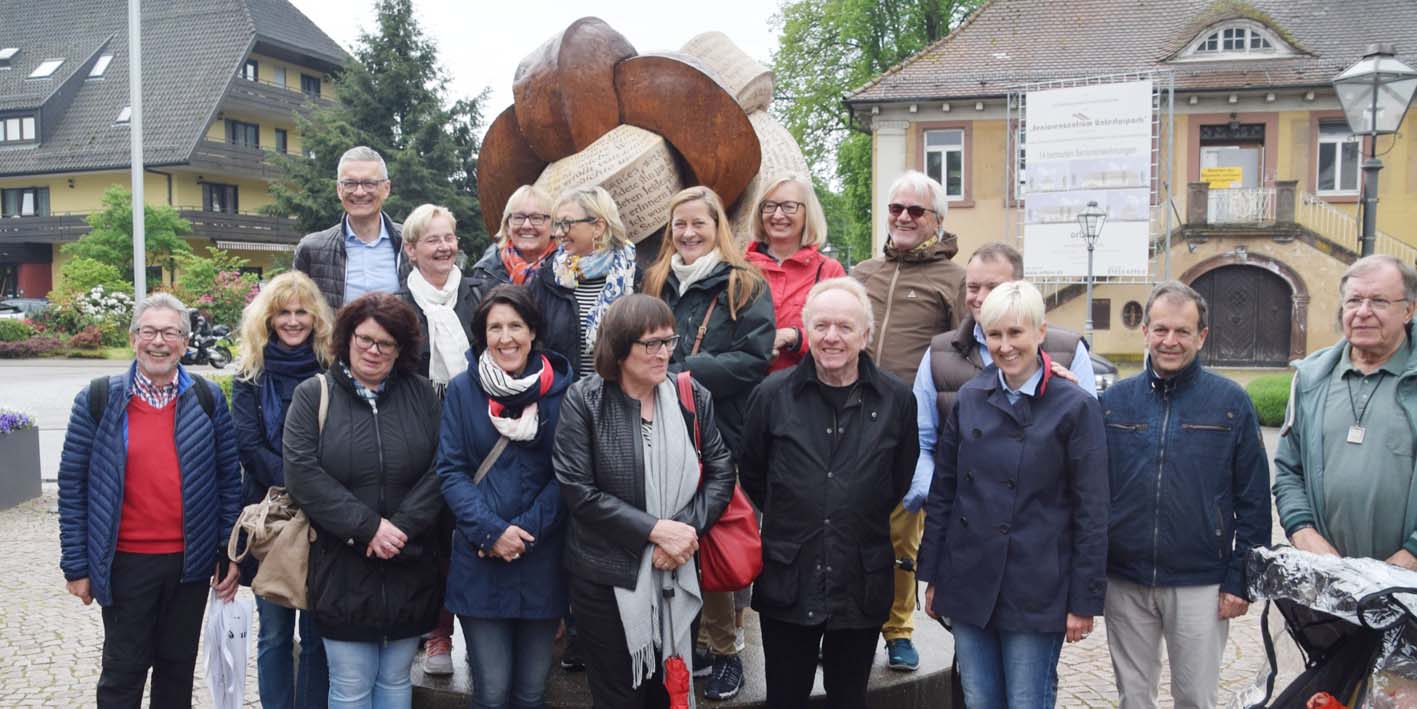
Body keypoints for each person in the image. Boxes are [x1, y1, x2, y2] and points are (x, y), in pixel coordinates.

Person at [918, 280, 1107, 707]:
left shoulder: (1075, 406)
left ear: (1041, 332)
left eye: (1016, 332)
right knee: (979, 699)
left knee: (1026, 700)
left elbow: (1092, 511)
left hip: (1036, 587)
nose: (1005, 346)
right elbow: (945, 492)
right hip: (969, 579)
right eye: (995, 334)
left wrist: (1084, 600)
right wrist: (934, 578)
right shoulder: (970, 398)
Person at [739, 278, 918, 709]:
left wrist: (847, 506)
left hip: (860, 577)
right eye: (821, 326)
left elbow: (897, 479)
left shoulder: (896, 400)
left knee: (849, 698)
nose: (831, 337)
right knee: (784, 698)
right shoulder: (771, 396)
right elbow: (754, 474)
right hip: (789, 575)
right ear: (807, 330)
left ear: (865, 335)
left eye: (844, 326)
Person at [58, 292, 243, 707]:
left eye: (170, 333)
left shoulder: (208, 399)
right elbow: (72, 485)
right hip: (125, 563)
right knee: (122, 675)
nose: (159, 341)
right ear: (133, 338)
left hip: (189, 566)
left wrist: (228, 551)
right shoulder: (98, 399)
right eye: (149, 331)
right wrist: (77, 565)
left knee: (176, 675)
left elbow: (228, 479)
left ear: (185, 342)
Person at [553, 294, 736, 708]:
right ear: (619, 347)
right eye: (651, 343)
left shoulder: (690, 395)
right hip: (606, 579)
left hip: (678, 569)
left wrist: (683, 533)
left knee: (668, 693)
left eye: (669, 341)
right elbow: (578, 490)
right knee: (619, 697)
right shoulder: (584, 400)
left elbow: (722, 471)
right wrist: (655, 532)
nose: (664, 353)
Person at [1101, 281, 1270, 709]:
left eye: (1182, 331)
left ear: (1202, 336)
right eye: (1160, 329)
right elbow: (1092, 491)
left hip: (1201, 580)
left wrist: (1241, 579)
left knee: (1195, 697)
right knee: (1133, 697)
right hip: (1125, 577)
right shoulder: (1114, 402)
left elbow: (1253, 499)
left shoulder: (1231, 402)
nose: (1170, 341)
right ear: (1145, 331)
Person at [642, 186, 774, 700]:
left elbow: (753, 359)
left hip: (718, 430)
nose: (689, 233)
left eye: (699, 223)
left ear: (718, 227)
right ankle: (686, 643)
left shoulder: (744, 283)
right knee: (669, 535)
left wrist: (679, 370)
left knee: (711, 539)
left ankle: (724, 650)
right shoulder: (655, 281)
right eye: (680, 224)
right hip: (657, 426)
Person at [283, 293, 445, 709]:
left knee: (395, 681)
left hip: (410, 561)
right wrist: (369, 528)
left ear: (401, 349)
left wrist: (401, 528)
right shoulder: (313, 394)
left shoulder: (423, 395)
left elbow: (443, 467)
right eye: (365, 339)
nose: (373, 350)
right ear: (347, 338)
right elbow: (302, 474)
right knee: (351, 685)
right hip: (342, 564)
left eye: (385, 343)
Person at [848, 169, 965, 671]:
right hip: (850, 418)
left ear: (936, 220)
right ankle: (844, 623)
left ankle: (897, 629)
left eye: (916, 210)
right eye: (896, 208)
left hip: (908, 427)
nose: (903, 217)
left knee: (900, 536)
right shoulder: (861, 273)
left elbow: (964, 354)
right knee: (845, 528)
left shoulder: (955, 280)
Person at [438, 284, 574, 709]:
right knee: (492, 692)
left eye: (515, 326)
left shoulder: (562, 393)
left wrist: (523, 534)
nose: (505, 337)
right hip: (480, 561)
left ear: (533, 331)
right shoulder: (463, 390)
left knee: (532, 693)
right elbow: (451, 470)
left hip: (542, 560)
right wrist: (492, 532)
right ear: (483, 335)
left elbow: (568, 476)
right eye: (495, 327)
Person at [1274, 254, 1417, 571]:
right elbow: (1288, 472)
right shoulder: (1311, 379)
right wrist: (1304, 533)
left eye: (1378, 301)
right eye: (1353, 301)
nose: (1363, 312)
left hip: (1409, 581)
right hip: (1328, 577)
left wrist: (1410, 557)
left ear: (1409, 310)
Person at [231, 272, 334, 708]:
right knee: (274, 633)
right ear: (268, 319)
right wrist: (299, 481)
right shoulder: (250, 375)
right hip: (270, 518)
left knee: (316, 634)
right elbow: (248, 444)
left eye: (301, 312)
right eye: (283, 313)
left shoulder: (332, 370)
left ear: (315, 318)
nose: (293, 321)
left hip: (322, 518)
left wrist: (312, 488)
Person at [395, 202, 475, 674]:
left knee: (464, 533)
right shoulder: (396, 306)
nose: (444, 247)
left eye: (448, 238)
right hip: (417, 434)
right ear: (411, 249)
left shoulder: (478, 295)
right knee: (426, 536)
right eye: (432, 240)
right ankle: (432, 632)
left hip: (471, 432)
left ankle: (474, 633)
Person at [531, 185, 641, 381]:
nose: (559, 233)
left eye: (567, 224)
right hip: (562, 395)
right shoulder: (547, 278)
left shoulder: (633, 278)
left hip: (618, 393)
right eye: (557, 224)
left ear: (598, 227)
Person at [743, 173, 846, 372]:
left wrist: (794, 336)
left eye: (789, 206)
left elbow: (843, 333)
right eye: (769, 206)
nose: (777, 215)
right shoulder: (740, 268)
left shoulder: (828, 271)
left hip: (805, 384)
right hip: (746, 385)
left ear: (808, 213)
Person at [295, 146, 410, 310]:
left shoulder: (411, 245)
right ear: (339, 189)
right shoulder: (312, 250)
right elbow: (297, 312)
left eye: (369, 183)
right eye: (350, 183)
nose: (359, 192)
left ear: (386, 188)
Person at [470, 185, 558, 300]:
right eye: (518, 217)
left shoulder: (568, 271)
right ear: (507, 226)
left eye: (537, 218)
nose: (526, 225)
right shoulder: (485, 274)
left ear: (553, 227)